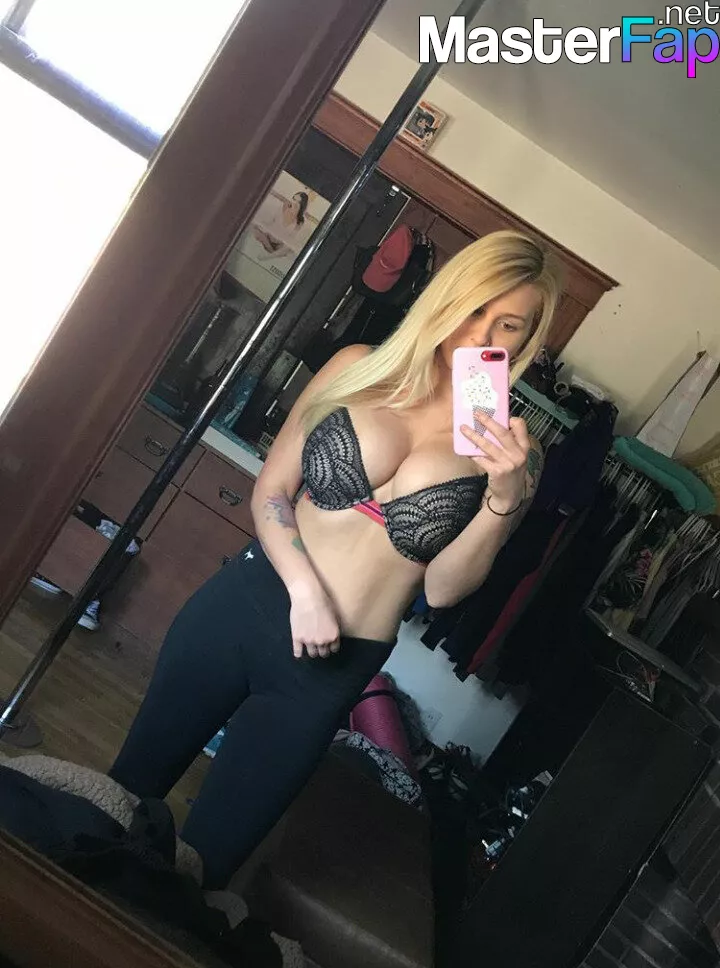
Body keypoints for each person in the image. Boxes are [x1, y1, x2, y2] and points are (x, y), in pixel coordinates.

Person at [109, 230, 561, 888]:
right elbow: (272, 491)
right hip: (244, 606)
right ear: (445, 296)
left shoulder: (516, 455)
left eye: (507, 324)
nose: (479, 332)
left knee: (204, 868)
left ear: (527, 341)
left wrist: (502, 497)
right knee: (120, 799)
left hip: (330, 670)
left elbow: (443, 591)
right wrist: (306, 591)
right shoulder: (358, 366)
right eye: (473, 307)